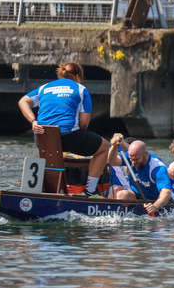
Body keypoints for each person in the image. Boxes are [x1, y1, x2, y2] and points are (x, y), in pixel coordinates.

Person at [18, 62, 110, 197]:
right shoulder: (81, 89)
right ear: (77, 76)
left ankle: (48, 190)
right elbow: (84, 124)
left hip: (43, 137)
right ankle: (90, 190)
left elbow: (23, 101)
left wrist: (33, 121)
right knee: (104, 147)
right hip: (68, 136)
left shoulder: (44, 88)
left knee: (54, 153)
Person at [107, 133, 174, 213]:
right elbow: (112, 161)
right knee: (120, 193)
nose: (133, 162)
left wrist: (155, 206)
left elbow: (166, 192)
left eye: (136, 159)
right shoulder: (131, 156)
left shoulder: (157, 168)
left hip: (156, 200)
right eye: (131, 159)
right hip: (138, 195)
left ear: (146, 154)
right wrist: (114, 147)